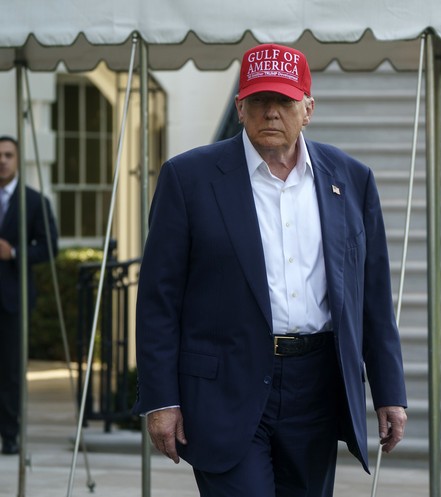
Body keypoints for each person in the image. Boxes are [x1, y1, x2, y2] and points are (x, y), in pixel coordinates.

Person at [134, 43, 407, 497]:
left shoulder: (352, 179)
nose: (271, 112)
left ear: (308, 109)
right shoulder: (188, 178)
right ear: (240, 108)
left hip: (317, 387)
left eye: (284, 100)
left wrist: (389, 391)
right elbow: (158, 299)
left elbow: (373, 297)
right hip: (225, 388)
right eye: (259, 100)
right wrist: (161, 399)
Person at [0, 135, 58, 455]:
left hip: (13, 300)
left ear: (18, 159)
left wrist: (14, 253)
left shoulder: (34, 201)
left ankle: (10, 434)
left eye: (8, 155)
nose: (2, 160)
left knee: (10, 370)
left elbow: (49, 247)